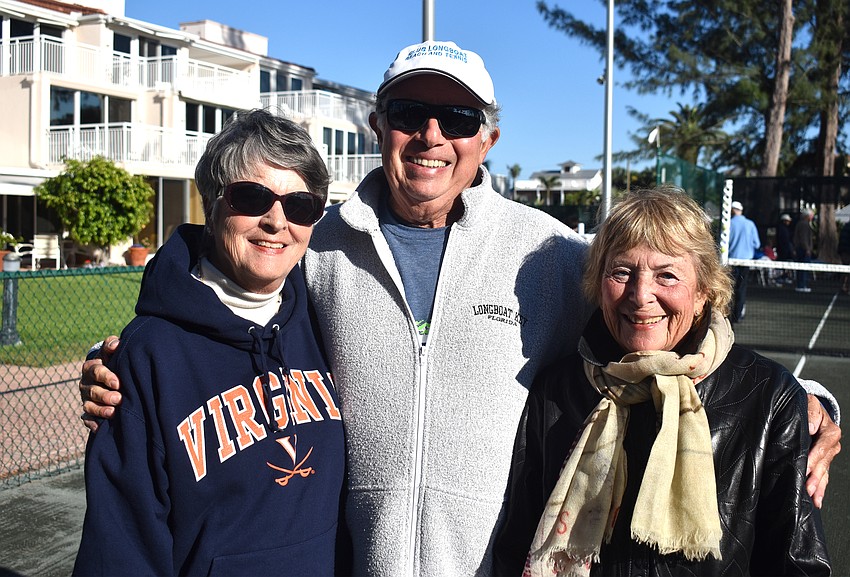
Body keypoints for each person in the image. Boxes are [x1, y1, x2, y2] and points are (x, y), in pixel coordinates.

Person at [77, 41, 841, 576]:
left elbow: (653, 327)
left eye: (459, 120)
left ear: (489, 140)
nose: (432, 135)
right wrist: (139, 354)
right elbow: (230, 273)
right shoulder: (319, 241)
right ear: (379, 127)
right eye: (410, 112)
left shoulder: (547, 253)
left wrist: (802, 400)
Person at [495, 187, 832, 576]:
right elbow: (517, 539)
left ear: (704, 290)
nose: (641, 296)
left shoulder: (769, 397)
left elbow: (797, 563)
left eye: (667, 275)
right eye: (621, 271)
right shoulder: (557, 392)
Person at [73, 110, 344, 575]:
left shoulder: (328, 321)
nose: (277, 222)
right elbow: (122, 548)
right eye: (253, 197)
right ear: (212, 203)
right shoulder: (145, 358)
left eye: (300, 205)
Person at [727, 200, 760, 322]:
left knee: (730, 288)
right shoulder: (750, 224)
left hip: (732, 261)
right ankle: (738, 314)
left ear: (732, 210)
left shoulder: (729, 224)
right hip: (746, 262)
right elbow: (757, 244)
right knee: (742, 288)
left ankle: (729, 315)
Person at [794, 208, 815, 292]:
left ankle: (801, 284)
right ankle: (802, 285)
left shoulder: (802, 224)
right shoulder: (804, 224)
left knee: (801, 268)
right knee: (803, 268)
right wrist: (807, 249)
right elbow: (804, 238)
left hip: (801, 249)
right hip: (803, 250)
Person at [776, 213, 796, 285]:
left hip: (784, 250)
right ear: (784, 221)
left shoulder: (783, 229)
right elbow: (784, 241)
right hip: (783, 251)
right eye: (787, 221)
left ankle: (784, 277)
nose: (789, 222)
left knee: (784, 265)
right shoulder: (782, 229)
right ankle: (781, 278)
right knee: (782, 265)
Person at [838, 222, 850, 295]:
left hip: (844, 251)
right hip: (846, 252)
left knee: (845, 270)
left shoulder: (845, 226)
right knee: (846, 270)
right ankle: (846, 287)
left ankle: (844, 287)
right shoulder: (847, 228)